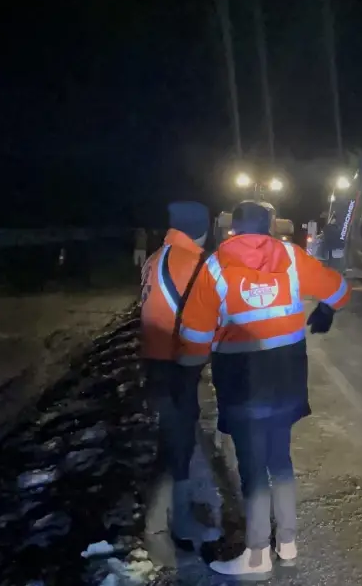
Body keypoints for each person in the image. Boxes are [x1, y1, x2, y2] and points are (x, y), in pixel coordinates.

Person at [182, 201, 350, 578]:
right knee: (280, 461)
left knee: (254, 469)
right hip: (287, 378)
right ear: (271, 225)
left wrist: (190, 370)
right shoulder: (290, 257)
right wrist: (327, 310)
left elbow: (193, 335)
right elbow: (338, 289)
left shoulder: (216, 267)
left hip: (242, 382)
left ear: (232, 227)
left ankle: (257, 554)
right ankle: (287, 543)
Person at [138, 201, 220, 548]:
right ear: (199, 227)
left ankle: (169, 520)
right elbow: (207, 317)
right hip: (177, 365)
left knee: (172, 443)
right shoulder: (191, 263)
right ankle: (166, 528)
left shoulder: (156, 258)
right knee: (179, 446)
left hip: (156, 361)